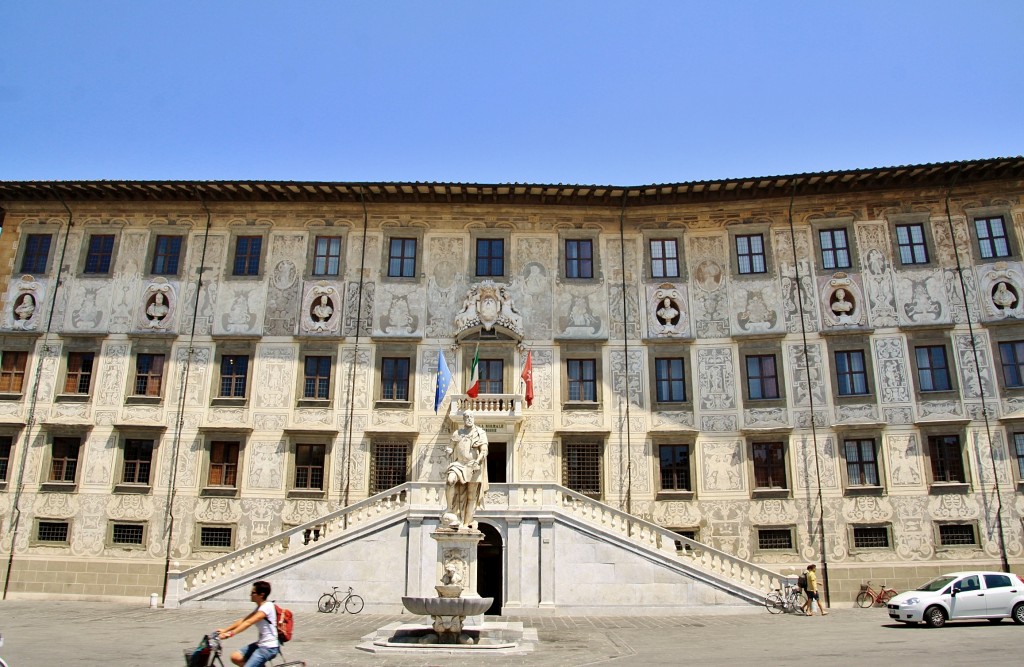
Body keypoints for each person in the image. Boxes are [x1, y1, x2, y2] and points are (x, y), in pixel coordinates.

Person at [216, 580, 280, 666]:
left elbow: (248, 623)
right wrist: (225, 630)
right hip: (261, 644)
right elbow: (243, 620)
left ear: (261, 595)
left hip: (269, 647)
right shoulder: (259, 607)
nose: (250, 595)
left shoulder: (267, 607)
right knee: (235, 657)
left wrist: (230, 634)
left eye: (253, 593)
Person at [443, 411, 489, 530]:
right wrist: (448, 450)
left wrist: (477, 461)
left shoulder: (480, 433)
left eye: (471, 417)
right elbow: (451, 446)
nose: (469, 419)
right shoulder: (457, 433)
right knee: (450, 480)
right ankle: (449, 508)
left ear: (474, 418)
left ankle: (466, 523)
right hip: (459, 464)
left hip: (473, 466)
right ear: (463, 419)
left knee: (471, 496)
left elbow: (484, 450)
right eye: (467, 417)